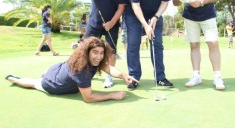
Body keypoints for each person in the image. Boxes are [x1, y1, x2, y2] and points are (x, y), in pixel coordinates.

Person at [5, 37, 138, 103]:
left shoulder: (90, 59)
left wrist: (123, 76)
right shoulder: (81, 70)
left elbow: (109, 68)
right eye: (95, 52)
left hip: (56, 68)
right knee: (35, 83)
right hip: (52, 84)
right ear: (87, 52)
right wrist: (112, 95)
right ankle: (14, 79)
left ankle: (45, 73)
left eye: (102, 53)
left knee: (50, 72)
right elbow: (88, 97)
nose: (99, 57)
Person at [172, 0, 225, 90]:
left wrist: (202, 2)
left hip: (207, 15)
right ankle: (196, 76)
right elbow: (175, 2)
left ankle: (217, 77)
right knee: (194, 46)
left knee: (213, 43)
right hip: (190, 16)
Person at [125, 0, 174, 90]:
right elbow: (135, 5)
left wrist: (156, 17)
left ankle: (160, 78)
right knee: (134, 44)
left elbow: (165, 2)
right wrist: (145, 25)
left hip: (154, 13)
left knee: (157, 44)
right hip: (134, 14)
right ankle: (134, 77)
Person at [79, 0, 128, 88]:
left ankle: (109, 77)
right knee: (85, 49)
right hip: (94, 22)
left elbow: (121, 7)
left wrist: (112, 22)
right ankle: (84, 74)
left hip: (111, 24)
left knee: (111, 51)